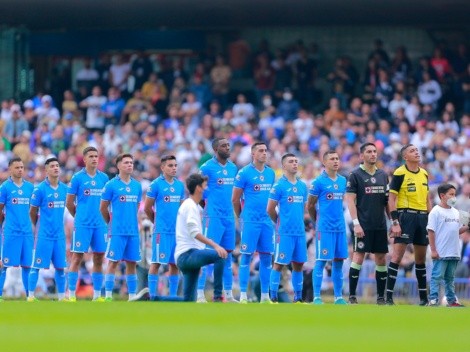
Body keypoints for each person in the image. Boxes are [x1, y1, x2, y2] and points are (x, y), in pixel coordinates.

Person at [386, 144, 432, 306]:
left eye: (417, 150)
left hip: (422, 218)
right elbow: (391, 199)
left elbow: (427, 199)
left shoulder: (424, 173)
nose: (417, 152)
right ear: (405, 157)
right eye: (412, 151)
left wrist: (430, 218)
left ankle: (423, 300)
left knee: (420, 260)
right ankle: (389, 297)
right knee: (397, 257)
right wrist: (395, 222)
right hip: (406, 216)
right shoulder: (400, 172)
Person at [345, 143, 390, 305]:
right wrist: (356, 223)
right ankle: (352, 296)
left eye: (374, 151)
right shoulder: (355, 175)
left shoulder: (383, 175)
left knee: (381, 258)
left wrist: (393, 222)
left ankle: (380, 297)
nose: (373, 154)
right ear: (361, 156)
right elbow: (350, 200)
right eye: (369, 152)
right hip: (363, 224)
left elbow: (387, 202)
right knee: (358, 256)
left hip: (380, 224)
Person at [232, 142, 275, 303]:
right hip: (250, 220)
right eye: (261, 151)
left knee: (266, 257)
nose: (264, 153)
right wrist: (241, 216)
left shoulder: (270, 173)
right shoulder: (244, 173)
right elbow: (235, 199)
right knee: (246, 256)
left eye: (265, 150)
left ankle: (265, 296)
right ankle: (243, 295)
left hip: (266, 221)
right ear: (253, 154)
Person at [196, 138, 238, 303]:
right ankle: (199, 294)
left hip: (229, 217)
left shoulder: (233, 168)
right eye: (223, 146)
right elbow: (197, 190)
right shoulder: (207, 168)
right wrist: (207, 207)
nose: (227, 148)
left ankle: (228, 294)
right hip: (213, 217)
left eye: (228, 145)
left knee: (227, 255)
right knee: (208, 254)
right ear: (215, 149)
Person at [66, 147, 109, 302]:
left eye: (96, 156)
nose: (94, 159)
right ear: (84, 159)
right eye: (91, 156)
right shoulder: (77, 178)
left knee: (98, 258)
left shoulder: (104, 178)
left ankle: (97, 295)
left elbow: (107, 202)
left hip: (100, 224)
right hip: (83, 224)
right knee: (77, 257)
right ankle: (71, 295)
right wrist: (79, 217)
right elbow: (69, 203)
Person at [175, 173, 228, 302]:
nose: (206, 189)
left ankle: (150, 298)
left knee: (187, 301)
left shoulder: (193, 205)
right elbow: (194, 232)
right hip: (187, 255)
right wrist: (215, 246)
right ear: (198, 188)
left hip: (187, 256)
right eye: (205, 186)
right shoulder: (190, 206)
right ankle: (218, 296)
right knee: (220, 255)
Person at [308, 150, 348, 305]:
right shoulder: (318, 182)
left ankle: (338, 297)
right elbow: (310, 205)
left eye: (337, 158)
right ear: (324, 163)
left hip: (340, 227)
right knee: (321, 261)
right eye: (332, 159)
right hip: (324, 228)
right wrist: (317, 220)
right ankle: (317, 297)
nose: (336, 161)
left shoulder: (343, 181)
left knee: (339, 262)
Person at [100, 154, 142, 301]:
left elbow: (136, 207)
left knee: (132, 263)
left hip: (133, 231)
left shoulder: (137, 186)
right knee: (113, 262)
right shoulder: (111, 185)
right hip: (117, 231)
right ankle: (108, 296)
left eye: (131, 162)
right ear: (118, 166)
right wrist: (111, 223)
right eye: (126, 163)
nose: (130, 165)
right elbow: (103, 208)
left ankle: (132, 296)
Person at [267, 153, 308, 303]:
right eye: (291, 161)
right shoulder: (279, 186)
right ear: (284, 166)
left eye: (296, 161)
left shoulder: (302, 186)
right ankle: (273, 297)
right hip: (284, 232)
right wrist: (279, 221)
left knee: (298, 264)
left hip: (300, 232)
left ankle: (298, 298)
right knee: (279, 264)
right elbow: (270, 209)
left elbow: (303, 209)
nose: (295, 164)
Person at [144, 155, 184, 299]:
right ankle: (152, 296)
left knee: (175, 264)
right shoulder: (155, 185)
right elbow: (147, 208)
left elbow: (181, 208)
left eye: (175, 165)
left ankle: (172, 296)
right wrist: (157, 222)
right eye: (170, 165)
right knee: (156, 263)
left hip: (176, 232)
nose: (174, 168)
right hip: (162, 231)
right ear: (162, 168)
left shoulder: (179, 186)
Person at [28, 157, 68, 301]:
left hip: (59, 235)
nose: (56, 168)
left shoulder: (65, 189)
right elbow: (32, 212)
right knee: (36, 266)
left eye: (57, 165)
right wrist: (39, 225)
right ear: (46, 170)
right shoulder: (40, 189)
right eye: (52, 166)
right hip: (44, 235)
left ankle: (62, 297)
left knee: (60, 267)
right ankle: (31, 296)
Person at [427, 184, 468, 307]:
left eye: (454, 194)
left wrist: (467, 226)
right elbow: (431, 231)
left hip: (454, 251)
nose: (454, 197)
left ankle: (452, 300)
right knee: (437, 276)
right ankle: (433, 299)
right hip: (441, 251)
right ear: (442, 196)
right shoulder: (435, 211)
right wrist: (433, 250)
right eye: (451, 194)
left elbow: (457, 230)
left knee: (450, 279)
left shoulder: (456, 212)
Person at [0, 158, 34, 301]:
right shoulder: (5, 188)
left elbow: (34, 210)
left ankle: (29, 296)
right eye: (17, 167)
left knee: (27, 265)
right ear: (10, 169)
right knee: (4, 265)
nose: (20, 169)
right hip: (11, 232)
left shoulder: (30, 187)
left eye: (22, 167)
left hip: (26, 232)